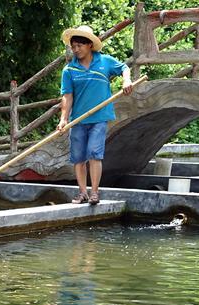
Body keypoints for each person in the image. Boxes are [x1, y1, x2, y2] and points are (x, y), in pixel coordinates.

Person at [57, 25, 132, 205]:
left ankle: (95, 193)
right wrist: (63, 119)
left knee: (94, 153)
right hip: (78, 119)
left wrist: (127, 80)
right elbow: (67, 96)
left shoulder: (104, 61)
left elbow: (124, 67)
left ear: (89, 45)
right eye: (73, 47)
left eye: (79, 46)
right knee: (78, 157)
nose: (76, 50)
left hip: (99, 117)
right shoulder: (69, 70)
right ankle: (83, 192)